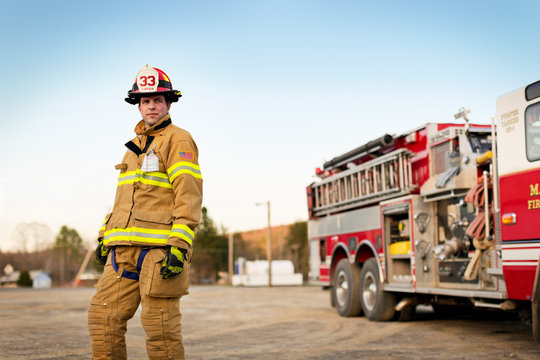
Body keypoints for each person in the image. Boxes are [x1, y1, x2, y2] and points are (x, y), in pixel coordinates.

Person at [87, 65, 203, 360]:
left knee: (160, 330)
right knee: (103, 320)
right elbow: (123, 198)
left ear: (168, 103)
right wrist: (105, 235)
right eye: (145, 101)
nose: (151, 106)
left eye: (158, 100)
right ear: (138, 105)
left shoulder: (178, 140)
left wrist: (180, 244)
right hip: (121, 252)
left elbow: (187, 194)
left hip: (159, 254)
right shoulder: (134, 147)